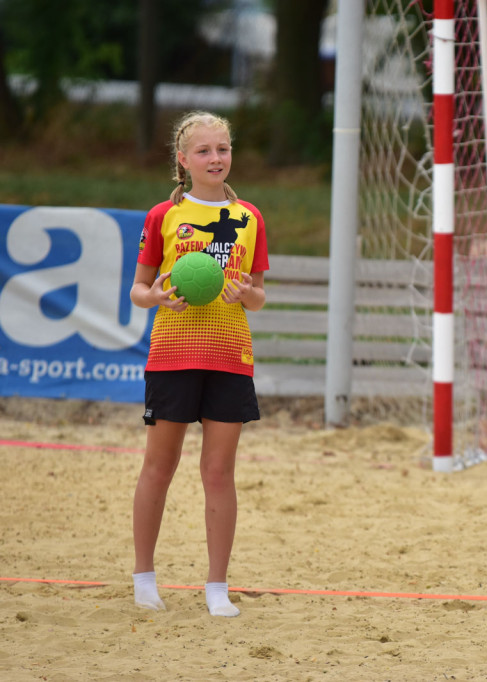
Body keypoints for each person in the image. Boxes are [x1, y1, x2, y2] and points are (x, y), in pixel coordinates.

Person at [129, 111, 268, 617]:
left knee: (218, 472)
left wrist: (244, 292)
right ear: (183, 160)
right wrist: (159, 298)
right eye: (205, 151)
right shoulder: (162, 216)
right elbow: (139, 290)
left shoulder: (250, 216)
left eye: (224, 149)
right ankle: (144, 576)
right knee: (159, 466)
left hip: (230, 356)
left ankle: (217, 587)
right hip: (173, 353)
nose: (216, 158)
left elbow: (258, 298)